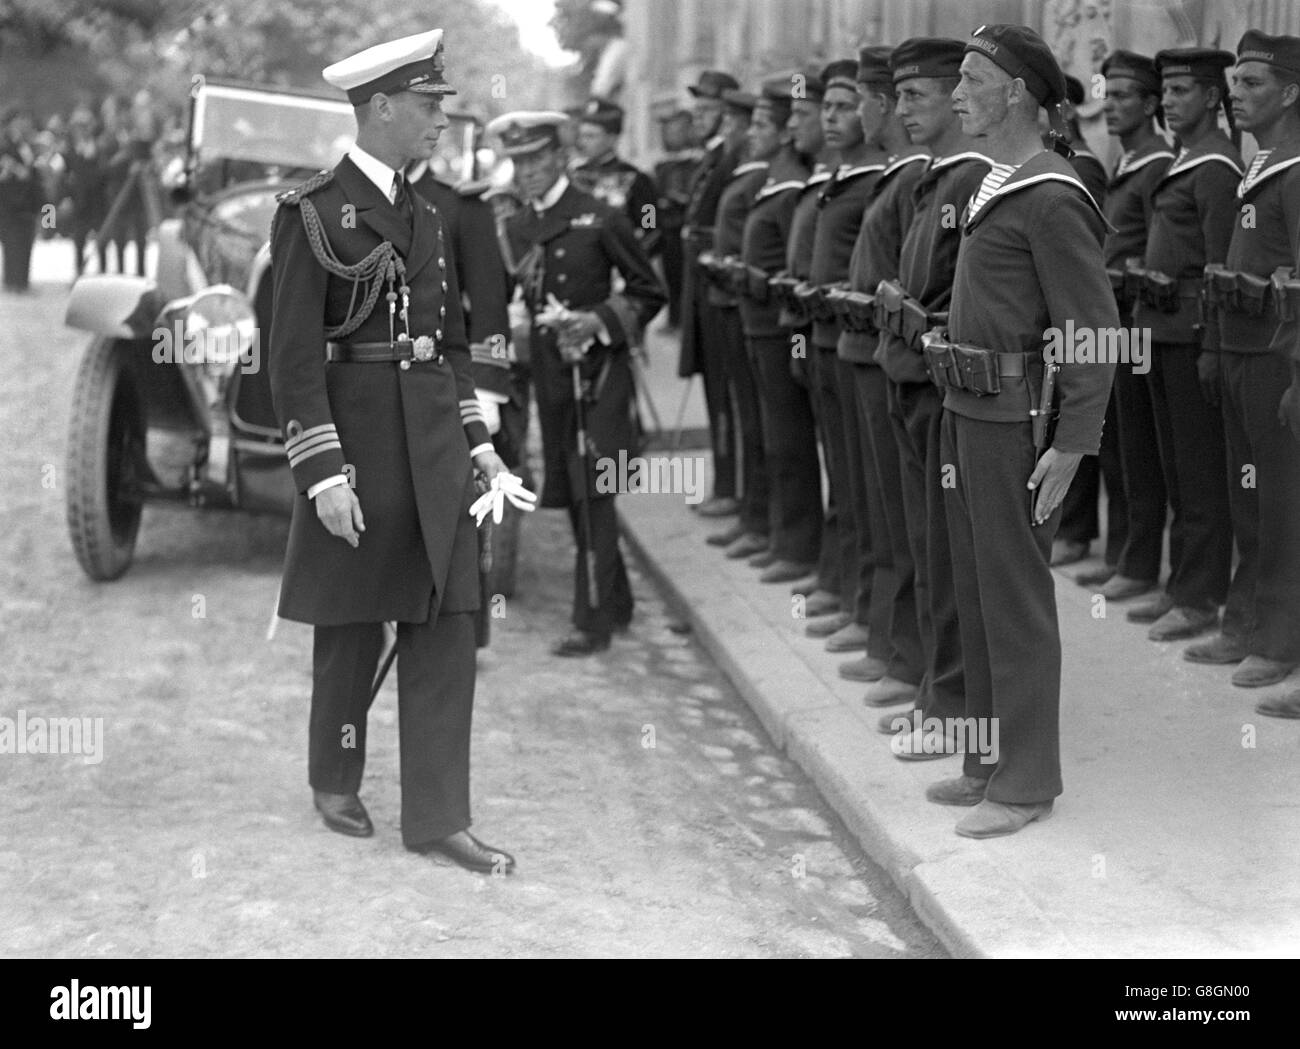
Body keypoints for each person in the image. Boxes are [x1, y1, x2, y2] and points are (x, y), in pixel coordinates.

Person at [266, 29, 516, 874]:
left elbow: (446, 344)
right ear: (379, 108)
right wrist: (321, 471)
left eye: (442, 104)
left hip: (436, 446)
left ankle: (439, 815)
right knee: (350, 620)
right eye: (427, 104)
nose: (441, 119)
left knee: (449, 622)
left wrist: (479, 442)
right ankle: (334, 776)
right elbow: (294, 358)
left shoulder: (430, 212)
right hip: (361, 449)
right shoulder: (313, 209)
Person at [926, 24, 1118, 838]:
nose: (957, 93)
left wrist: (1073, 446)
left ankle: (1029, 779)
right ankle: (985, 758)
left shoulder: (1051, 192)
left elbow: (1094, 332)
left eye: (971, 79)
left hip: (1015, 425)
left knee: (1015, 599)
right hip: (965, 410)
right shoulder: (996, 180)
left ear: (1018, 94)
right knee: (973, 592)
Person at [490, 110, 666, 657]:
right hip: (551, 377)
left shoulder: (600, 216)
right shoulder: (514, 227)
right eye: (518, 162)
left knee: (595, 491)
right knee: (572, 491)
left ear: (561, 158)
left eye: (537, 159)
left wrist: (598, 322)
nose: (528, 172)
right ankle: (618, 602)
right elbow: (505, 300)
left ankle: (592, 621)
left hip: (600, 377)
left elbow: (649, 291)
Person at [871, 37, 982, 739]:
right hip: (908, 378)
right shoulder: (934, 177)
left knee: (949, 557)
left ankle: (954, 706)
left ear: (955, 100)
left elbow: (967, 301)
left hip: (942, 386)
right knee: (924, 545)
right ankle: (934, 688)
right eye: (901, 96)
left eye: (918, 97)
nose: (902, 109)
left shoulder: (970, 179)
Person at [1186, 32, 1300, 689]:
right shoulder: (1260, 167)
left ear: (1289, 92)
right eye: (1237, 83)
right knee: (1248, 498)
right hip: (1236, 351)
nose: (1238, 94)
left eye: (1253, 83)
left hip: (1273, 362)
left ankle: (1280, 638)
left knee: (1282, 506)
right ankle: (1248, 622)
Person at [1115, 50, 1236, 644]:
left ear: (1214, 97)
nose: (1170, 101)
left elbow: (1220, 266)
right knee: (1172, 468)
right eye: (1166, 90)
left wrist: (1213, 345)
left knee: (1200, 472)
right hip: (1154, 331)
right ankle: (1182, 583)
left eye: (1184, 89)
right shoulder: (1186, 160)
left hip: (1188, 336)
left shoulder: (1216, 166)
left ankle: (1201, 595)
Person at [407, 148, 521, 648]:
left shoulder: (458, 207)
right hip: (385, 388)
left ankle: (461, 631)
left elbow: (489, 303)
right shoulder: (357, 201)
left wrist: (487, 389)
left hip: (448, 384)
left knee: (458, 509)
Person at [803, 57, 890, 659]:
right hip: (829, 341)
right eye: (829, 106)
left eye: (847, 105)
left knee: (872, 494)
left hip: (862, 346)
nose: (838, 117)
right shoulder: (844, 177)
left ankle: (872, 612)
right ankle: (849, 591)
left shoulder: (881, 177)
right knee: (847, 480)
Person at [736, 73, 818, 585]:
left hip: (779, 326)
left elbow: (796, 263)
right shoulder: (772, 177)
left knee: (790, 441)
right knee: (769, 436)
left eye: (765, 124)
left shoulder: (790, 183)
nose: (752, 133)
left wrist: (761, 280)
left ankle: (798, 544)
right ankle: (778, 533)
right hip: (757, 323)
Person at [700, 87, 770, 560]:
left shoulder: (760, 177)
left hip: (753, 312)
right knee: (747, 417)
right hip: (727, 305)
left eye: (737, 122)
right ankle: (753, 513)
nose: (726, 129)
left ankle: (762, 519)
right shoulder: (736, 169)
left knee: (762, 424)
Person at [677, 70, 744, 518]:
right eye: (697, 109)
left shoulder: (731, 158)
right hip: (702, 290)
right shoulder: (711, 157)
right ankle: (726, 484)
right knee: (715, 391)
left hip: (720, 290)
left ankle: (733, 488)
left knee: (729, 398)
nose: (699, 117)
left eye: (708, 109)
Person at [569, 98, 660, 257]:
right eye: (581, 136)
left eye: (591, 136)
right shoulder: (572, 176)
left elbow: (651, 228)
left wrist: (632, 260)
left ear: (612, 138)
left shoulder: (635, 179)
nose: (583, 142)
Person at [652, 108, 698, 327]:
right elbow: (648, 205)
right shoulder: (661, 167)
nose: (669, 134)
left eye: (675, 129)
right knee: (670, 277)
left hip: (687, 229)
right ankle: (674, 318)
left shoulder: (698, 163)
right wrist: (649, 230)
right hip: (667, 231)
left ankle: (685, 320)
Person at [0, 109, 42, 292]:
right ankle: (12, 280)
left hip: (27, 202)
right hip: (10, 202)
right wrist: (15, 170)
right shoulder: (4, 144)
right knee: (12, 243)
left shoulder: (27, 144)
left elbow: (32, 170)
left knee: (26, 242)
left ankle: (23, 280)